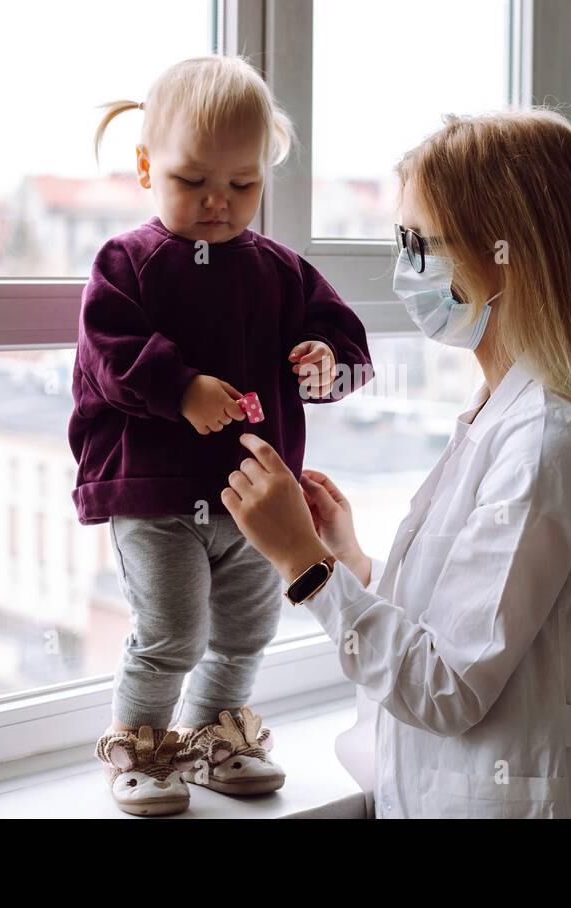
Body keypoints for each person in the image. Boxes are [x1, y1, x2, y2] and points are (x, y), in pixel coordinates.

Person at [221, 109, 571, 818]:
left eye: (420, 243)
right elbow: (474, 623)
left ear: (509, 255)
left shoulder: (546, 445)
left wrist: (304, 566)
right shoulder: (508, 412)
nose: (405, 270)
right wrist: (350, 563)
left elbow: (448, 687)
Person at [70, 55, 373, 816]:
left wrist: (326, 364)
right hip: (157, 491)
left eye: (243, 185)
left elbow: (349, 345)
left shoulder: (281, 271)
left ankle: (213, 740)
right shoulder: (126, 262)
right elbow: (104, 355)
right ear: (145, 168)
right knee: (170, 628)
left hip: (255, 500)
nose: (218, 203)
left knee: (246, 629)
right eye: (193, 182)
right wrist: (180, 388)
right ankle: (138, 747)